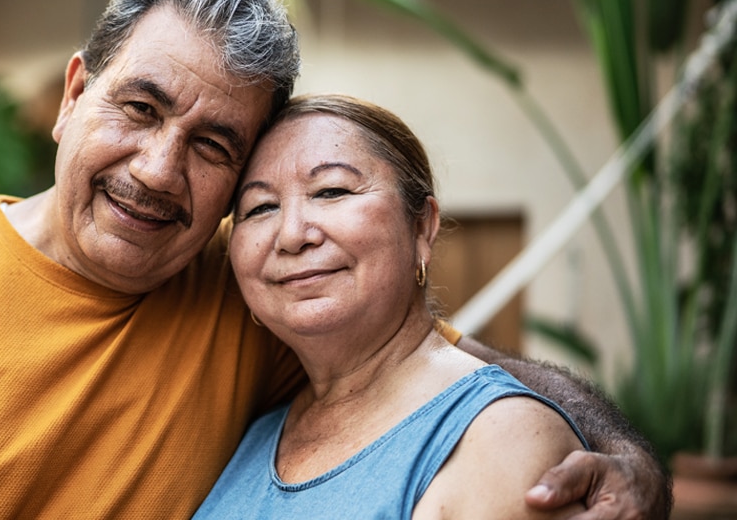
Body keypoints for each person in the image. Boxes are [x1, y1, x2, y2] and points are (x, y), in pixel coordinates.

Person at [0, 0, 665, 519]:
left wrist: (623, 452)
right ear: (73, 97)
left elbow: (432, 372)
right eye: (139, 109)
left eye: (212, 146)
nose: (156, 168)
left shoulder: (250, 296)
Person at [192, 94, 589, 519]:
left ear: (422, 227)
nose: (292, 235)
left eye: (331, 191)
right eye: (261, 207)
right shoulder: (255, 432)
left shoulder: (501, 436)